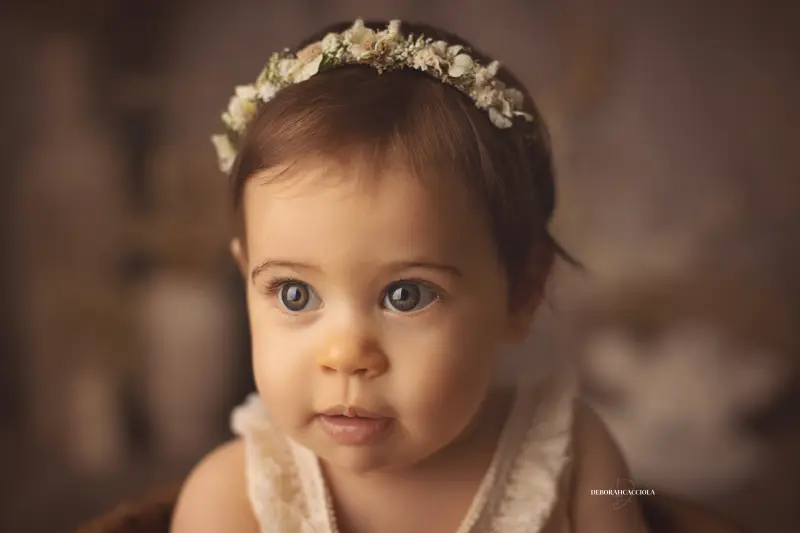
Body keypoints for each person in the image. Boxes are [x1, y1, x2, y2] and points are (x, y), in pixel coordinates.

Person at [171, 18, 649, 533]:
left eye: (405, 295)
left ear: (522, 292)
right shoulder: (231, 498)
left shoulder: (574, 457)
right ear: (247, 282)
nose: (346, 356)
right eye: (294, 293)